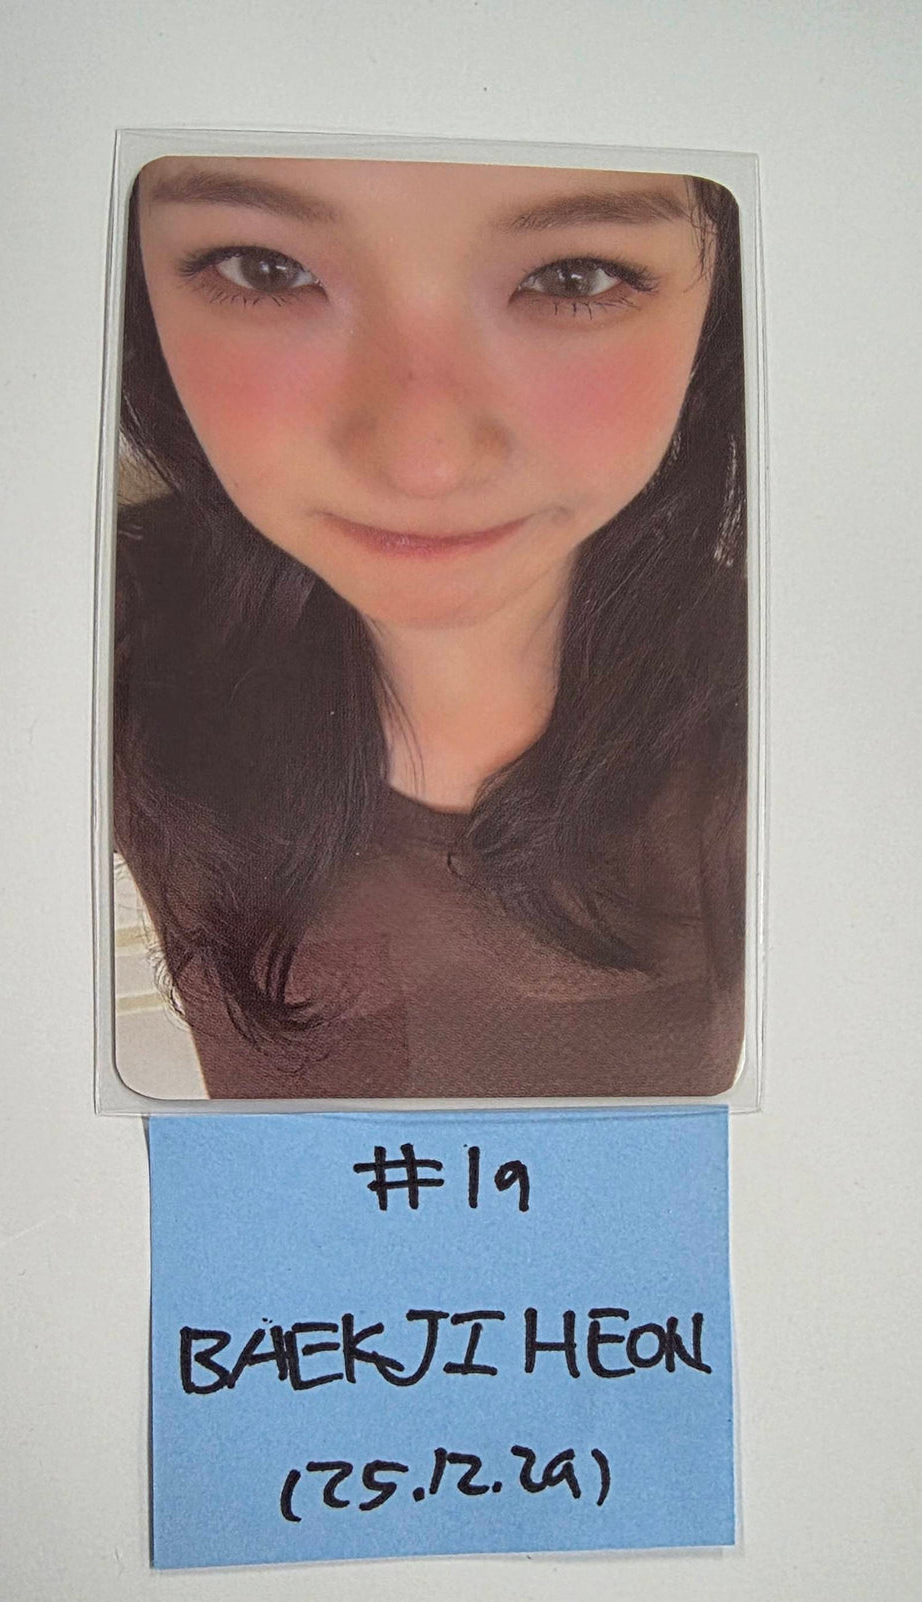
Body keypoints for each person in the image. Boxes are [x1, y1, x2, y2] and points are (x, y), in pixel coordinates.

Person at [114, 155, 747, 1101]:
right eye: (267, 269)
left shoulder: (803, 727)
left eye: (573, 277)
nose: (425, 462)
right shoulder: (88, 644)